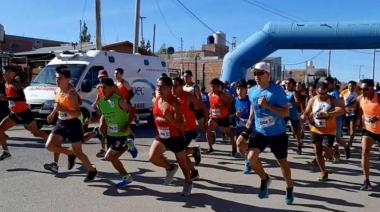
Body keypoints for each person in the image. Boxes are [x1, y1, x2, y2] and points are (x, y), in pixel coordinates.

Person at [247, 62, 294, 204]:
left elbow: (285, 112)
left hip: (277, 133)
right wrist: (250, 119)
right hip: (260, 131)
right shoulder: (252, 91)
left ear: (268, 74)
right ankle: (265, 179)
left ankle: (289, 187)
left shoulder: (277, 91)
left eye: (260, 73)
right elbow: (253, 106)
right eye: (254, 73)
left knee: (283, 163)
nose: (256, 76)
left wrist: (268, 106)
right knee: (251, 158)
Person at [45, 65, 97, 182]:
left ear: (67, 79)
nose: (57, 80)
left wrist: (62, 110)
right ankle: (69, 154)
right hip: (61, 122)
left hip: (73, 124)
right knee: (49, 146)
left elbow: (77, 113)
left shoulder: (72, 94)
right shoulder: (57, 90)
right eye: (56, 78)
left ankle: (92, 170)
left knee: (79, 152)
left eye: (60, 78)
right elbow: (58, 104)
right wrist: (53, 113)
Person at [149, 76, 193, 196]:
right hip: (162, 136)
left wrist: (169, 118)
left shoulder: (175, 104)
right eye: (158, 86)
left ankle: (188, 182)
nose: (159, 88)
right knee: (152, 157)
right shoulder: (156, 100)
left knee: (183, 164)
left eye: (162, 86)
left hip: (176, 137)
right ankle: (170, 168)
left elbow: (181, 125)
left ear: (169, 88)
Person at [0, 65, 49, 160]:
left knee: (36, 133)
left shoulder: (15, 84)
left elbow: (22, 98)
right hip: (15, 114)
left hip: (24, 113)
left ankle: (52, 141)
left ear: (13, 74)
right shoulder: (6, 83)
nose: (5, 73)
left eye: (7, 71)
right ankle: (6, 152)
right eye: (4, 71)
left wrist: (6, 98)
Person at [97, 78, 137, 188]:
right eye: (101, 87)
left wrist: (127, 125)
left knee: (109, 156)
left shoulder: (118, 100)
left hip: (122, 134)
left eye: (105, 87)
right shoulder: (100, 102)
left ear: (112, 88)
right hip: (111, 134)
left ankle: (127, 176)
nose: (103, 89)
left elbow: (132, 110)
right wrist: (93, 123)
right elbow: (104, 116)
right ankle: (126, 176)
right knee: (112, 158)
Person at [303, 81, 344, 181]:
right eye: (319, 93)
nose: (321, 95)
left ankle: (334, 150)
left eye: (324, 93)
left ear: (327, 91)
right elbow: (307, 112)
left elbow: (342, 110)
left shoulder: (333, 99)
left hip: (329, 130)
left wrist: (327, 114)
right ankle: (323, 172)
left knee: (326, 154)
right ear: (316, 91)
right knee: (318, 152)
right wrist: (304, 117)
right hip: (315, 129)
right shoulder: (313, 100)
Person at [172, 77, 208, 179]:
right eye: (171, 86)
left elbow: (204, 108)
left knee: (180, 152)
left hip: (189, 130)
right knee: (180, 152)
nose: (173, 88)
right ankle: (194, 167)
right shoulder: (172, 98)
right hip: (178, 130)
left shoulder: (188, 97)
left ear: (181, 86)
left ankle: (193, 155)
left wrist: (205, 122)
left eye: (175, 86)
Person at [356, 79, 380, 190]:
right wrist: (359, 119)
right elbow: (358, 108)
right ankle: (366, 181)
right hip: (368, 129)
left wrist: (378, 117)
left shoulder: (378, 98)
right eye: (361, 89)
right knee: (365, 153)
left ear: (372, 88)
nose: (362, 91)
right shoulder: (361, 98)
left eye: (365, 89)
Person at [206, 78, 235, 155]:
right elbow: (211, 105)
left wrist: (222, 105)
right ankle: (210, 148)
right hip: (214, 117)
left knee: (228, 134)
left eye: (214, 86)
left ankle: (234, 145)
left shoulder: (223, 95)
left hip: (223, 117)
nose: (212, 88)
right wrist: (210, 111)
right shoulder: (210, 94)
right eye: (211, 86)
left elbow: (230, 102)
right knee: (208, 129)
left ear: (218, 86)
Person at [324, 77, 350, 160]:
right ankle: (328, 155)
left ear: (332, 84)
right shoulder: (326, 93)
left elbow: (337, 107)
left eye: (327, 84)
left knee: (338, 139)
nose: (325, 85)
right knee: (326, 139)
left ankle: (346, 147)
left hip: (336, 120)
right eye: (324, 84)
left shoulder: (334, 93)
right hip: (327, 120)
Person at [234, 79, 253, 174]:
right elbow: (232, 112)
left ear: (246, 90)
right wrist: (235, 114)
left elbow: (253, 112)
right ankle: (248, 160)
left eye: (241, 89)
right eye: (237, 89)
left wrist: (249, 119)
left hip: (249, 126)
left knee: (238, 142)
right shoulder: (235, 100)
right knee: (240, 148)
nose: (239, 91)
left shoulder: (250, 99)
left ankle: (251, 153)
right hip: (239, 126)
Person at [284, 78, 303, 154]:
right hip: (284, 113)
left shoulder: (294, 93)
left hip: (293, 113)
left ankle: (299, 144)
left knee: (295, 132)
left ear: (292, 85)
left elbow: (298, 103)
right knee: (281, 129)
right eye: (286, 83)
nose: (287, 85)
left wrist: (292, 103)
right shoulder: (283, 92)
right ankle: (284, 143)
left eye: (289, 83)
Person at [340, 81, 358, 146]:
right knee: (347, 127)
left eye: (353, 86)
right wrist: (343, 107)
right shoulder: (344, 92)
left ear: (355, 86)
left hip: (354, 113)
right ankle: (343, 139)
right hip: (345, 113)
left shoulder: (358, 93)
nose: (351, 87)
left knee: (352, 127)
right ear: (348, 86)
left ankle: (350, 141)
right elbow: (340, 100)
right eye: (350, 86)